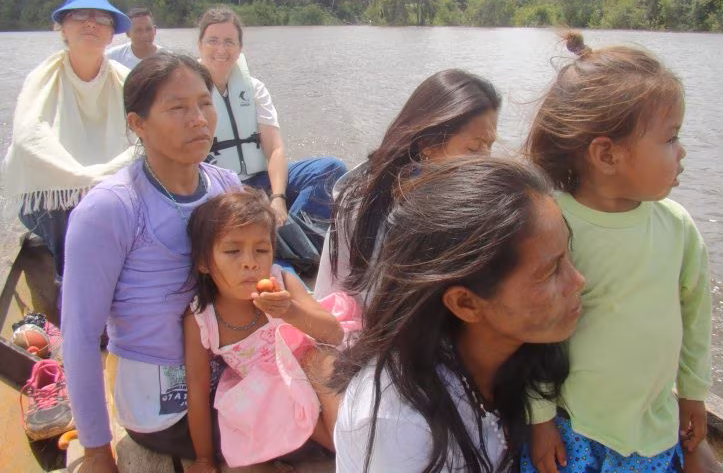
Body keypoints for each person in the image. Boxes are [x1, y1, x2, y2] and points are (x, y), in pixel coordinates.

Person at [523, 31, 713, 473]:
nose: (682, 152)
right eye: (670, 138)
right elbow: (533, 331)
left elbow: (695, 319)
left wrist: (693, 394)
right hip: (577, 428)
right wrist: (540, 420)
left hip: (654, 428)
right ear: (606, 154)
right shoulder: (556, 227)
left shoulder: (677, 227)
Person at [331, 156, 585, 472]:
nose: (578, 281)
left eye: (569, 255)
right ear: (465, 304)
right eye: (551, 271)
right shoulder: (398, 427)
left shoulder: (518, 357)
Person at [61, 53, 242, 473]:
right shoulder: (111, 209)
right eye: (177, 108)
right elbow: (80, 337)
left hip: (229, 374)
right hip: (164, 404)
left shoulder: (226, 186)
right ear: (137, 124)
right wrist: (96, 451)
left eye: (204, 103)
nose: (198, 119)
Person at [183, 189, 361, 472]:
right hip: (274, 400)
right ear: (204, 263)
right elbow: (197, 388)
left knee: (324, 364)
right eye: (232, 251)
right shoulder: (202, 320)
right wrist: (203, 458)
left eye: (262, 250)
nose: (250, 262)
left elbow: (333, 333)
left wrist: (290, 311)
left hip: (314, 371)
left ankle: (356, 448)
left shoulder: (283, 282)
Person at [313, 68, 501, 307]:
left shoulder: (472, 201)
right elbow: (332, 295)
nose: (486, 162)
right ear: (427, 145)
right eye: (474, 149)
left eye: (490, 146)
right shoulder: (364, 202)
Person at [2, 0, 136, 301]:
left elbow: (143, 138)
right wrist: (80, 180)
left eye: (101, 18)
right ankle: (73, 296)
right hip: (50, 198)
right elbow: (28, 139)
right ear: (62, 28)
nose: (91, 23)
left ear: (111, 34)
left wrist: (99, 181)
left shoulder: (126, 79)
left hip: (107, 186)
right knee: (71, 215)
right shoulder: (41, 79)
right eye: (80, 15)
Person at [197, 6, 346, 229]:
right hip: (220, 186)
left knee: (331, 168)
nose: (221, 49)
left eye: (229, 42)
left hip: (260, 180)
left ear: (240, 49)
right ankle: (283, 242)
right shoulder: (188, 90)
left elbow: (275, 149)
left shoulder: (254, 89)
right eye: (213, 40)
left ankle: (289, 234)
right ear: (200, 45)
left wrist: (278, 198)